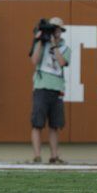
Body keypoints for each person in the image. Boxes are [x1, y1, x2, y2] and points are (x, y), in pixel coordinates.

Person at [30, 17, 71, 165]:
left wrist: (54, 45)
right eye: (53, 29)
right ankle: (37, 156)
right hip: (41, 87)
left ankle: (54, 156)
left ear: (61, 31)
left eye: (58, 29)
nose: (56, 32)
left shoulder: (66, 48)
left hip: (57, 89)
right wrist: (40, 41)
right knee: (37, 123)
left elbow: (62, 63)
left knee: (55, 125)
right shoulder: (42, 44)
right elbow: (34, 61)